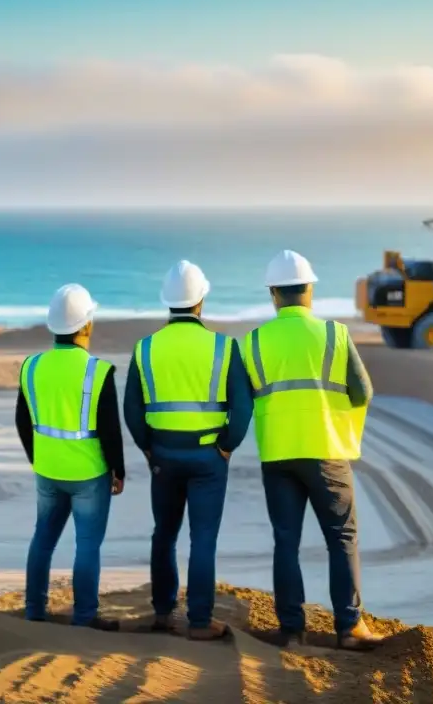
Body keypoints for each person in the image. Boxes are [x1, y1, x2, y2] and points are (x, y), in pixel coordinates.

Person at [240, 250, 385, 651]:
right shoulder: (335, 335)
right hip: (326, 451)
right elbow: (363, 392)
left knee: (286, 541)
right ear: (310, 290)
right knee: (341, 538)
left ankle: (292, 630)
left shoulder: (252, 341)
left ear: (273, 293)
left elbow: (242, 399)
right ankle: (350, 627)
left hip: (277, 453)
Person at [124, 260, 253, 640]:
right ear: (201, 301)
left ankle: (163, 613)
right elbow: (243, 406)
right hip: (208, 456)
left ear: (167, 301)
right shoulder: (224, 347)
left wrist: (148, 448)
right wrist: (227, 445)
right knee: (203, 538)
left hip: (163, 456)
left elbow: (131, 409)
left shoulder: (145, 348)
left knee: (164, 534)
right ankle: (199, 621)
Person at [15, 283, 125, 631]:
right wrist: (118, 471)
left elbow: (22, 420)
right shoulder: (98, 371)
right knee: (88, 545)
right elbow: (110, 430)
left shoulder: (31, 366)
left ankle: (34, 610)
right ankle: (85, 617)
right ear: (86, 324)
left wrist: (37, 459)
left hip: (48, 470)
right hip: (88, 474)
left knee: (43, 540)